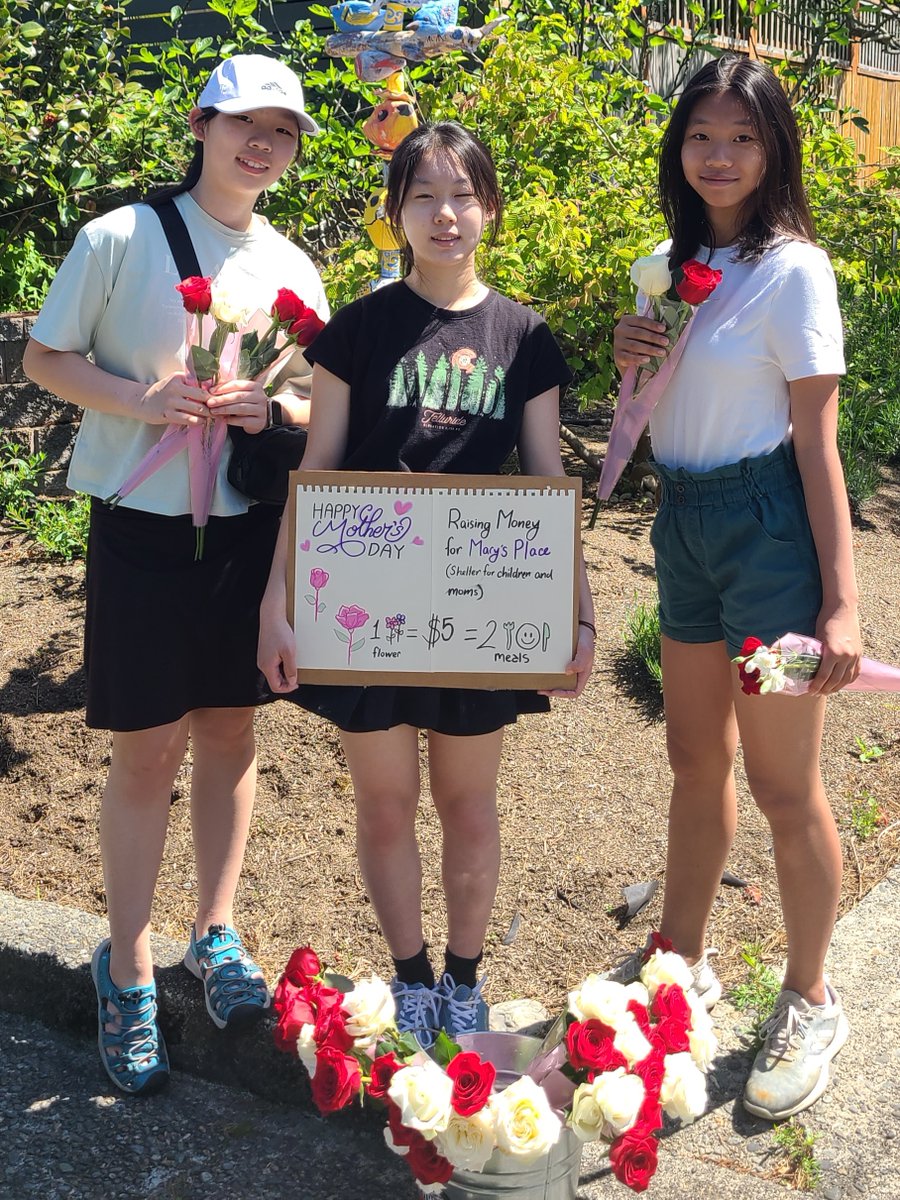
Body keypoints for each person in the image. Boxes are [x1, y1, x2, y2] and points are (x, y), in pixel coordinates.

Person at [23, 54, 329, 1095]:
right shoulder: (119, 237)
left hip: (246, 531)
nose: (263, 144)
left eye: (283, 131)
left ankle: (216, 932)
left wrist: (271, 413)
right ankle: (129, 959)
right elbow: (43, 360)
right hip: (141, 530)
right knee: (146, 750)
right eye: (246, 122)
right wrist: (140, 400)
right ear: (201, 122)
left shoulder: (294, 264)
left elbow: (315, 411)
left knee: (232, 734)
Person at [258, 120, 595, 1046]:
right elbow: (316, 471)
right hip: (364, 606)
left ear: (489, 205)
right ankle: (410, 976)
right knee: (384, 801)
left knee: (468, 801)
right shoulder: (355, 333)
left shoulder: (523, 336)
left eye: (463, 194)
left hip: (481, 607)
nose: (446, 214)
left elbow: (543, 480)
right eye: (423, 195)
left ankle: (464, 978)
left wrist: (581, 612)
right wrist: (275, 603)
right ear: (396, 210)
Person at [610, 55, 860, 1120]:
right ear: (679, 147)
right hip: (687, 524)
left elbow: (816, 441)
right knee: (690, 758)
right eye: (701, 136)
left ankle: (809, 995)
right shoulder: (660, 266)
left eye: (743, 138)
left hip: (768, 540)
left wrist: (839, 599)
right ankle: (683, 957)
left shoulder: (795, 271)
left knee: (783, 785)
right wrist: (628, 358)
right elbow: (657, 409)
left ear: (773, 151)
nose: (719, 155)